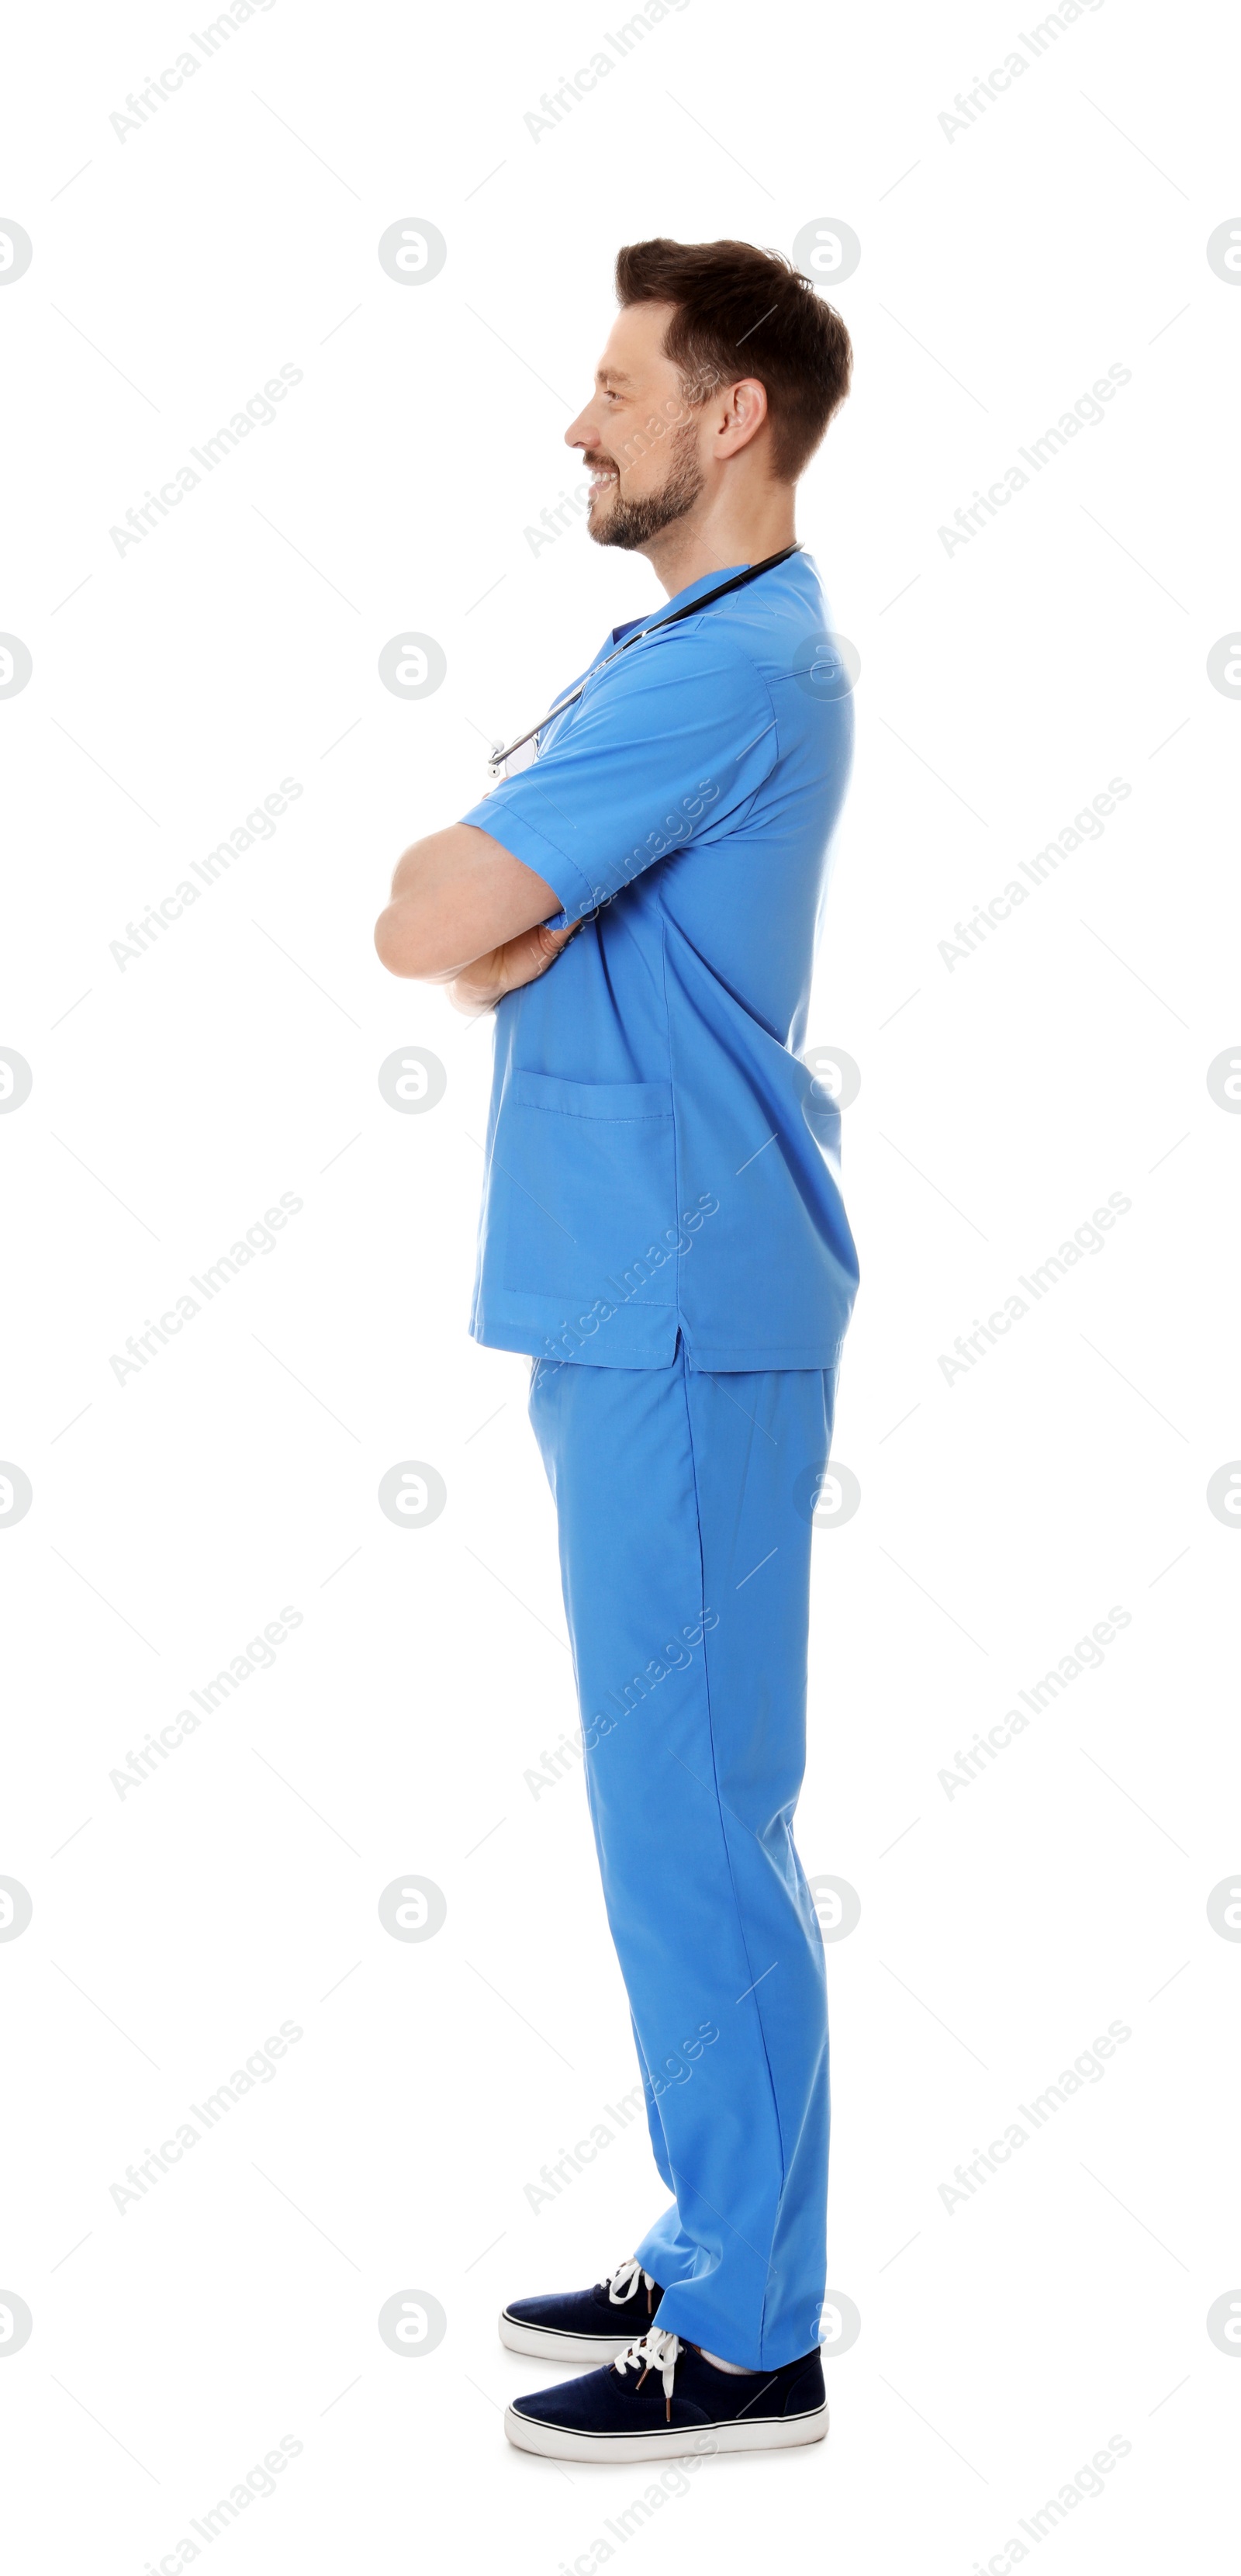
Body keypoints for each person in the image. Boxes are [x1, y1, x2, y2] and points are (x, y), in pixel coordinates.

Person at [375, 236, 858, 2463]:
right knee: (677, 1804)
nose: (580, 423)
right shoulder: (676, 652)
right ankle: (713, 2223)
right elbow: (456, 928)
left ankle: (754, 2329)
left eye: (615, 385)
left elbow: (434, 913)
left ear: (726, 416)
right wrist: (496, 922)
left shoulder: (725, 677)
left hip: (678, 1296)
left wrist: (505, 919)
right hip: (634, 1292)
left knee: (697, 1818)